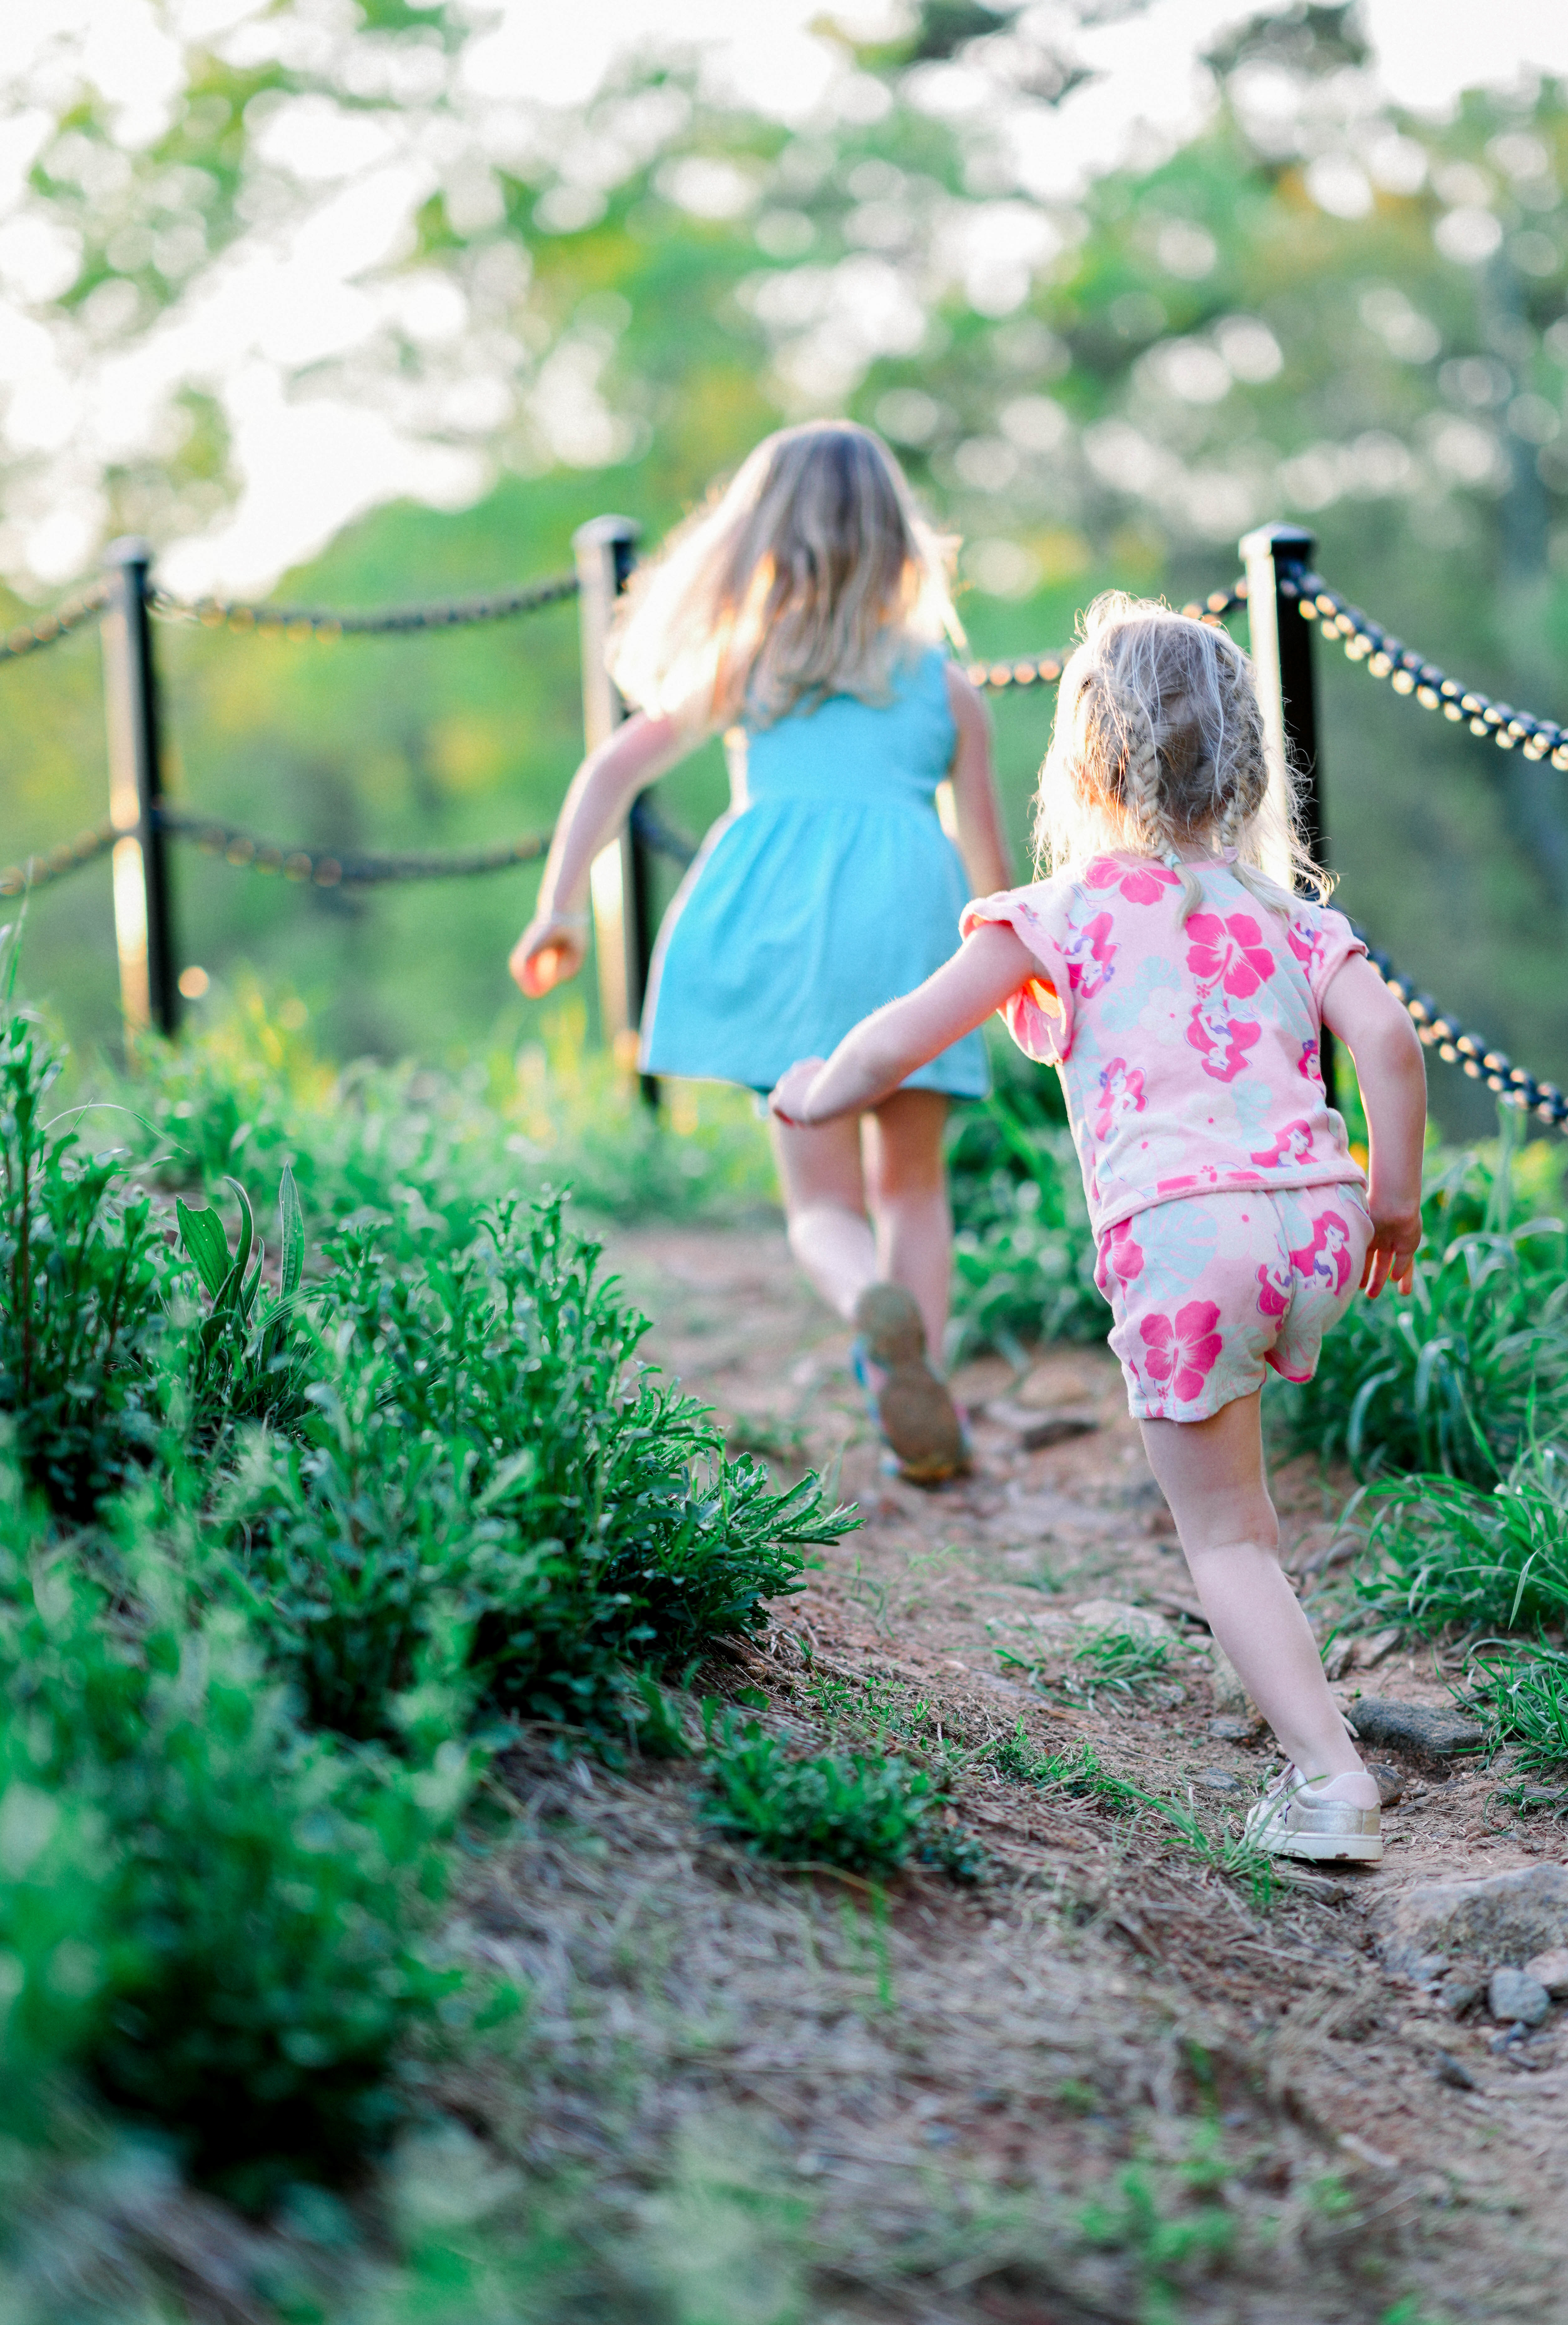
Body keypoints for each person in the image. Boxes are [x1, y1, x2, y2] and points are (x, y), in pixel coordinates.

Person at [770, 593, 1427, 1868]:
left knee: (1221, 1531)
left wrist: (819, 1090)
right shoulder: (1289, 916)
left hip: (1187, 1249)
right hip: (1319, 1229)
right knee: (1243, 1506)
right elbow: (1390, 1044)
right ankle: (1296, 1684)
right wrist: (1390, 1201)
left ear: (1083, 763)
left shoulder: (1057, 914)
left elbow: (905, 1033)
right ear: (1248, 761)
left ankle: (1330, 1777)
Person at [509, 420, 1011, 1483]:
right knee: (914, 1189)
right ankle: (921, 1396)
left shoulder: (750, 670)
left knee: (822, 1203)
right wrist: (1021, 983)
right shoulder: (946, 690)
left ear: (762, 539)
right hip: (917, 939)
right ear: (897, 539)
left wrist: (559, 905)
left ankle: (867, 1320)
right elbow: (992, 866)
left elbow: (611, 772)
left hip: (788, 941)